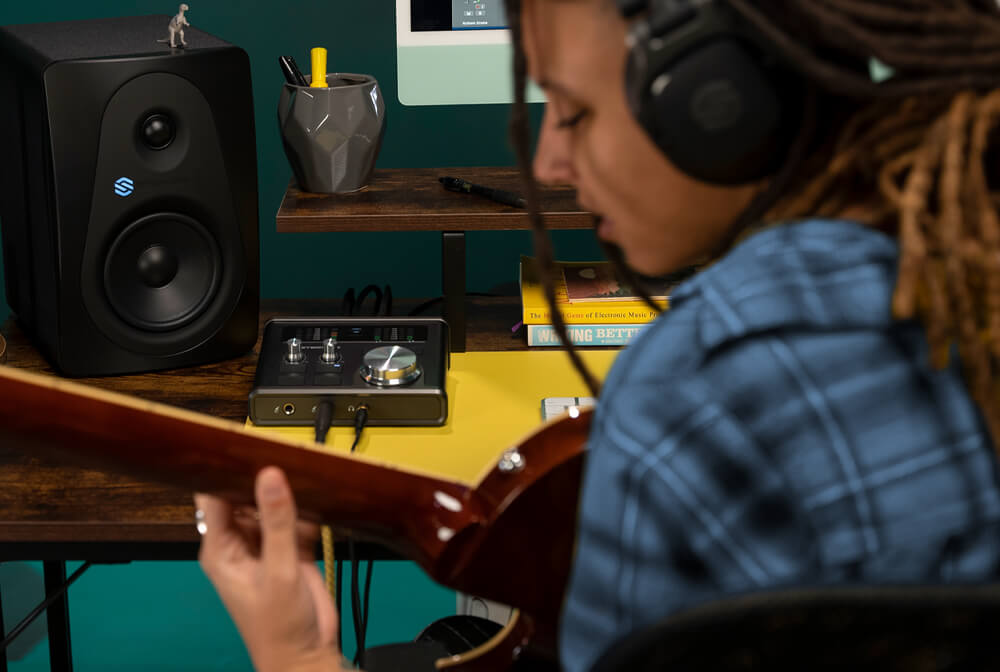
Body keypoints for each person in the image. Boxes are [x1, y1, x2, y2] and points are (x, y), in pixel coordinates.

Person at [196, 1, 1000, 670]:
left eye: (574, 112)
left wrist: (296, 654)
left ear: (722, 102)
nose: (547, 161)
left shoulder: (686, 397)